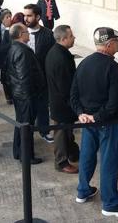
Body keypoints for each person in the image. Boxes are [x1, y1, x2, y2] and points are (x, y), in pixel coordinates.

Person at [71, 27, 118, 217]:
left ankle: (83, 191)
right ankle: (111, 203)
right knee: (110, 161)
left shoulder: (84, 64)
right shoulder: (112, 67)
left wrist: (82, 113)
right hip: (108, 122)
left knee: (87, 156)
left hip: (88, 121)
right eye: (116, 42)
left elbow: (73, 94)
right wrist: (97, 117)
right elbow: (116, 103)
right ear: (108, 45)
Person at [7, 23, 46, 164]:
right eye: (26, 32)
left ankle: (18, 151)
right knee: (26, 126)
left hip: (20, 94)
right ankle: (26, 156)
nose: (28, 34)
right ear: (20, 35)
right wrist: (31, 95)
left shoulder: (15, 48)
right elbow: (24, 76)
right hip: (26, 96)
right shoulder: (22, 51)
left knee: (21, 124)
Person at [45, 25, 80, 174]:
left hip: (61, 102)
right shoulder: (59, 57)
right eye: (71, 36)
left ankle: (72, 154)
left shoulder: (59, 52)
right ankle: (61, 162)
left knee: (67, 131)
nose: (74, 38)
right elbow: (65, 85)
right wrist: (73, 103)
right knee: (61, 133)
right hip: (62, 104)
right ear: (64, 38)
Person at [23, 4, 56, 142]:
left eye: (29, 15)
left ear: (37, 17)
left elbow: (53, 56)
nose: (26, 18)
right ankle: (26, 136)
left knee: (42, 106)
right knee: (26, 109)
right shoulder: (20, 32)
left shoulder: (48, 34)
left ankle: (44, 130)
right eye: (24, 15)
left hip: (42, 78)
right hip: (24, 79)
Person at [0, 9, 13, 105]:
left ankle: (11, 95)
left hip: (10, 58)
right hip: (1, 58)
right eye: (7, 17)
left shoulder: (12, 30)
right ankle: (8, 96)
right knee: (4, 78)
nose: (9, 19)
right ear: (2, 19)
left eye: (10, 16)